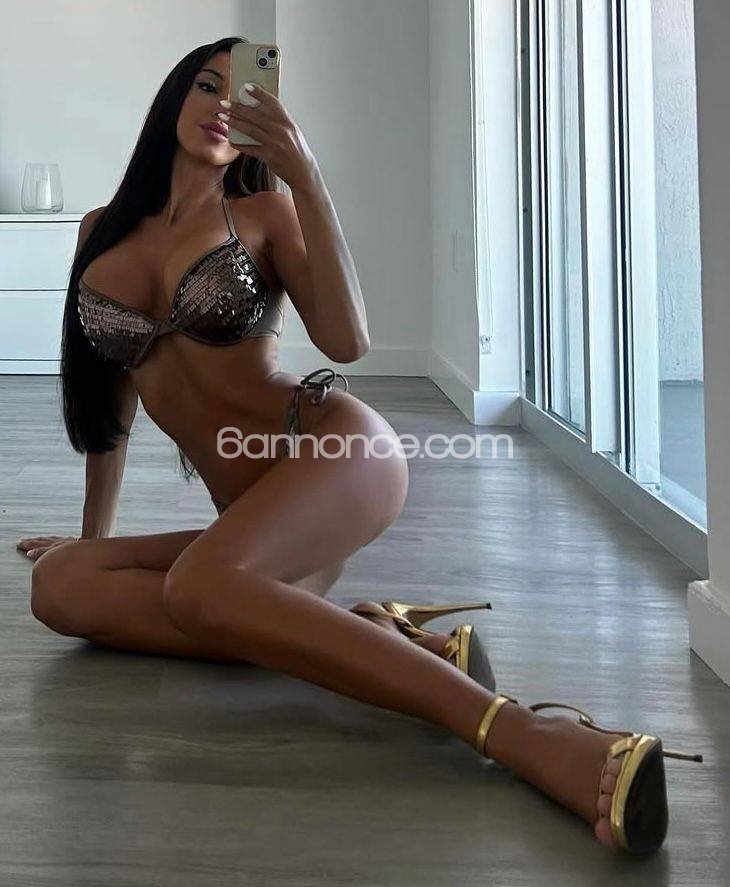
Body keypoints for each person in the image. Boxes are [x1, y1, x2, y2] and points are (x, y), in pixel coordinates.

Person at [18, 37, 701, 855]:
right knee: (61, 586)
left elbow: (348, 340)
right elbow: (112, 400)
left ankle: (527, 733)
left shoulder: (265, 214)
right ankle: (378, 634)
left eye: (244, 93)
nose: (224, 104)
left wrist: (305, 175)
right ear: (172, 98)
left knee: (198, 586)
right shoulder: (98, 232)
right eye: (206, 84)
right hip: (251, 530)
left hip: (334, 454)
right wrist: (93, 541)